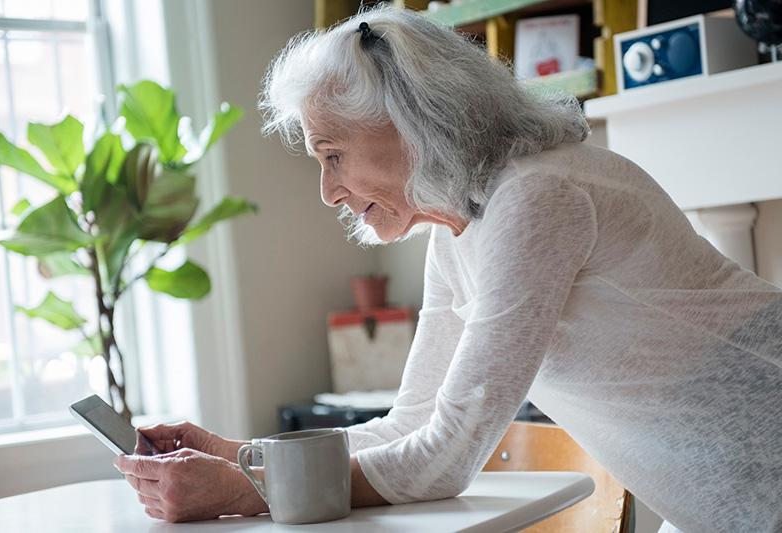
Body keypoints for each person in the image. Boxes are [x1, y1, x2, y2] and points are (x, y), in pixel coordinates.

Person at [114, 5, 782, 531]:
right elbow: (410, 423)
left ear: (411, 123)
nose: (328, 190)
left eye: (333, 154)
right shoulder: (460, 225)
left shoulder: (537, 197)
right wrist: (237, 453)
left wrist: (244, 490)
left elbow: (443, 457)